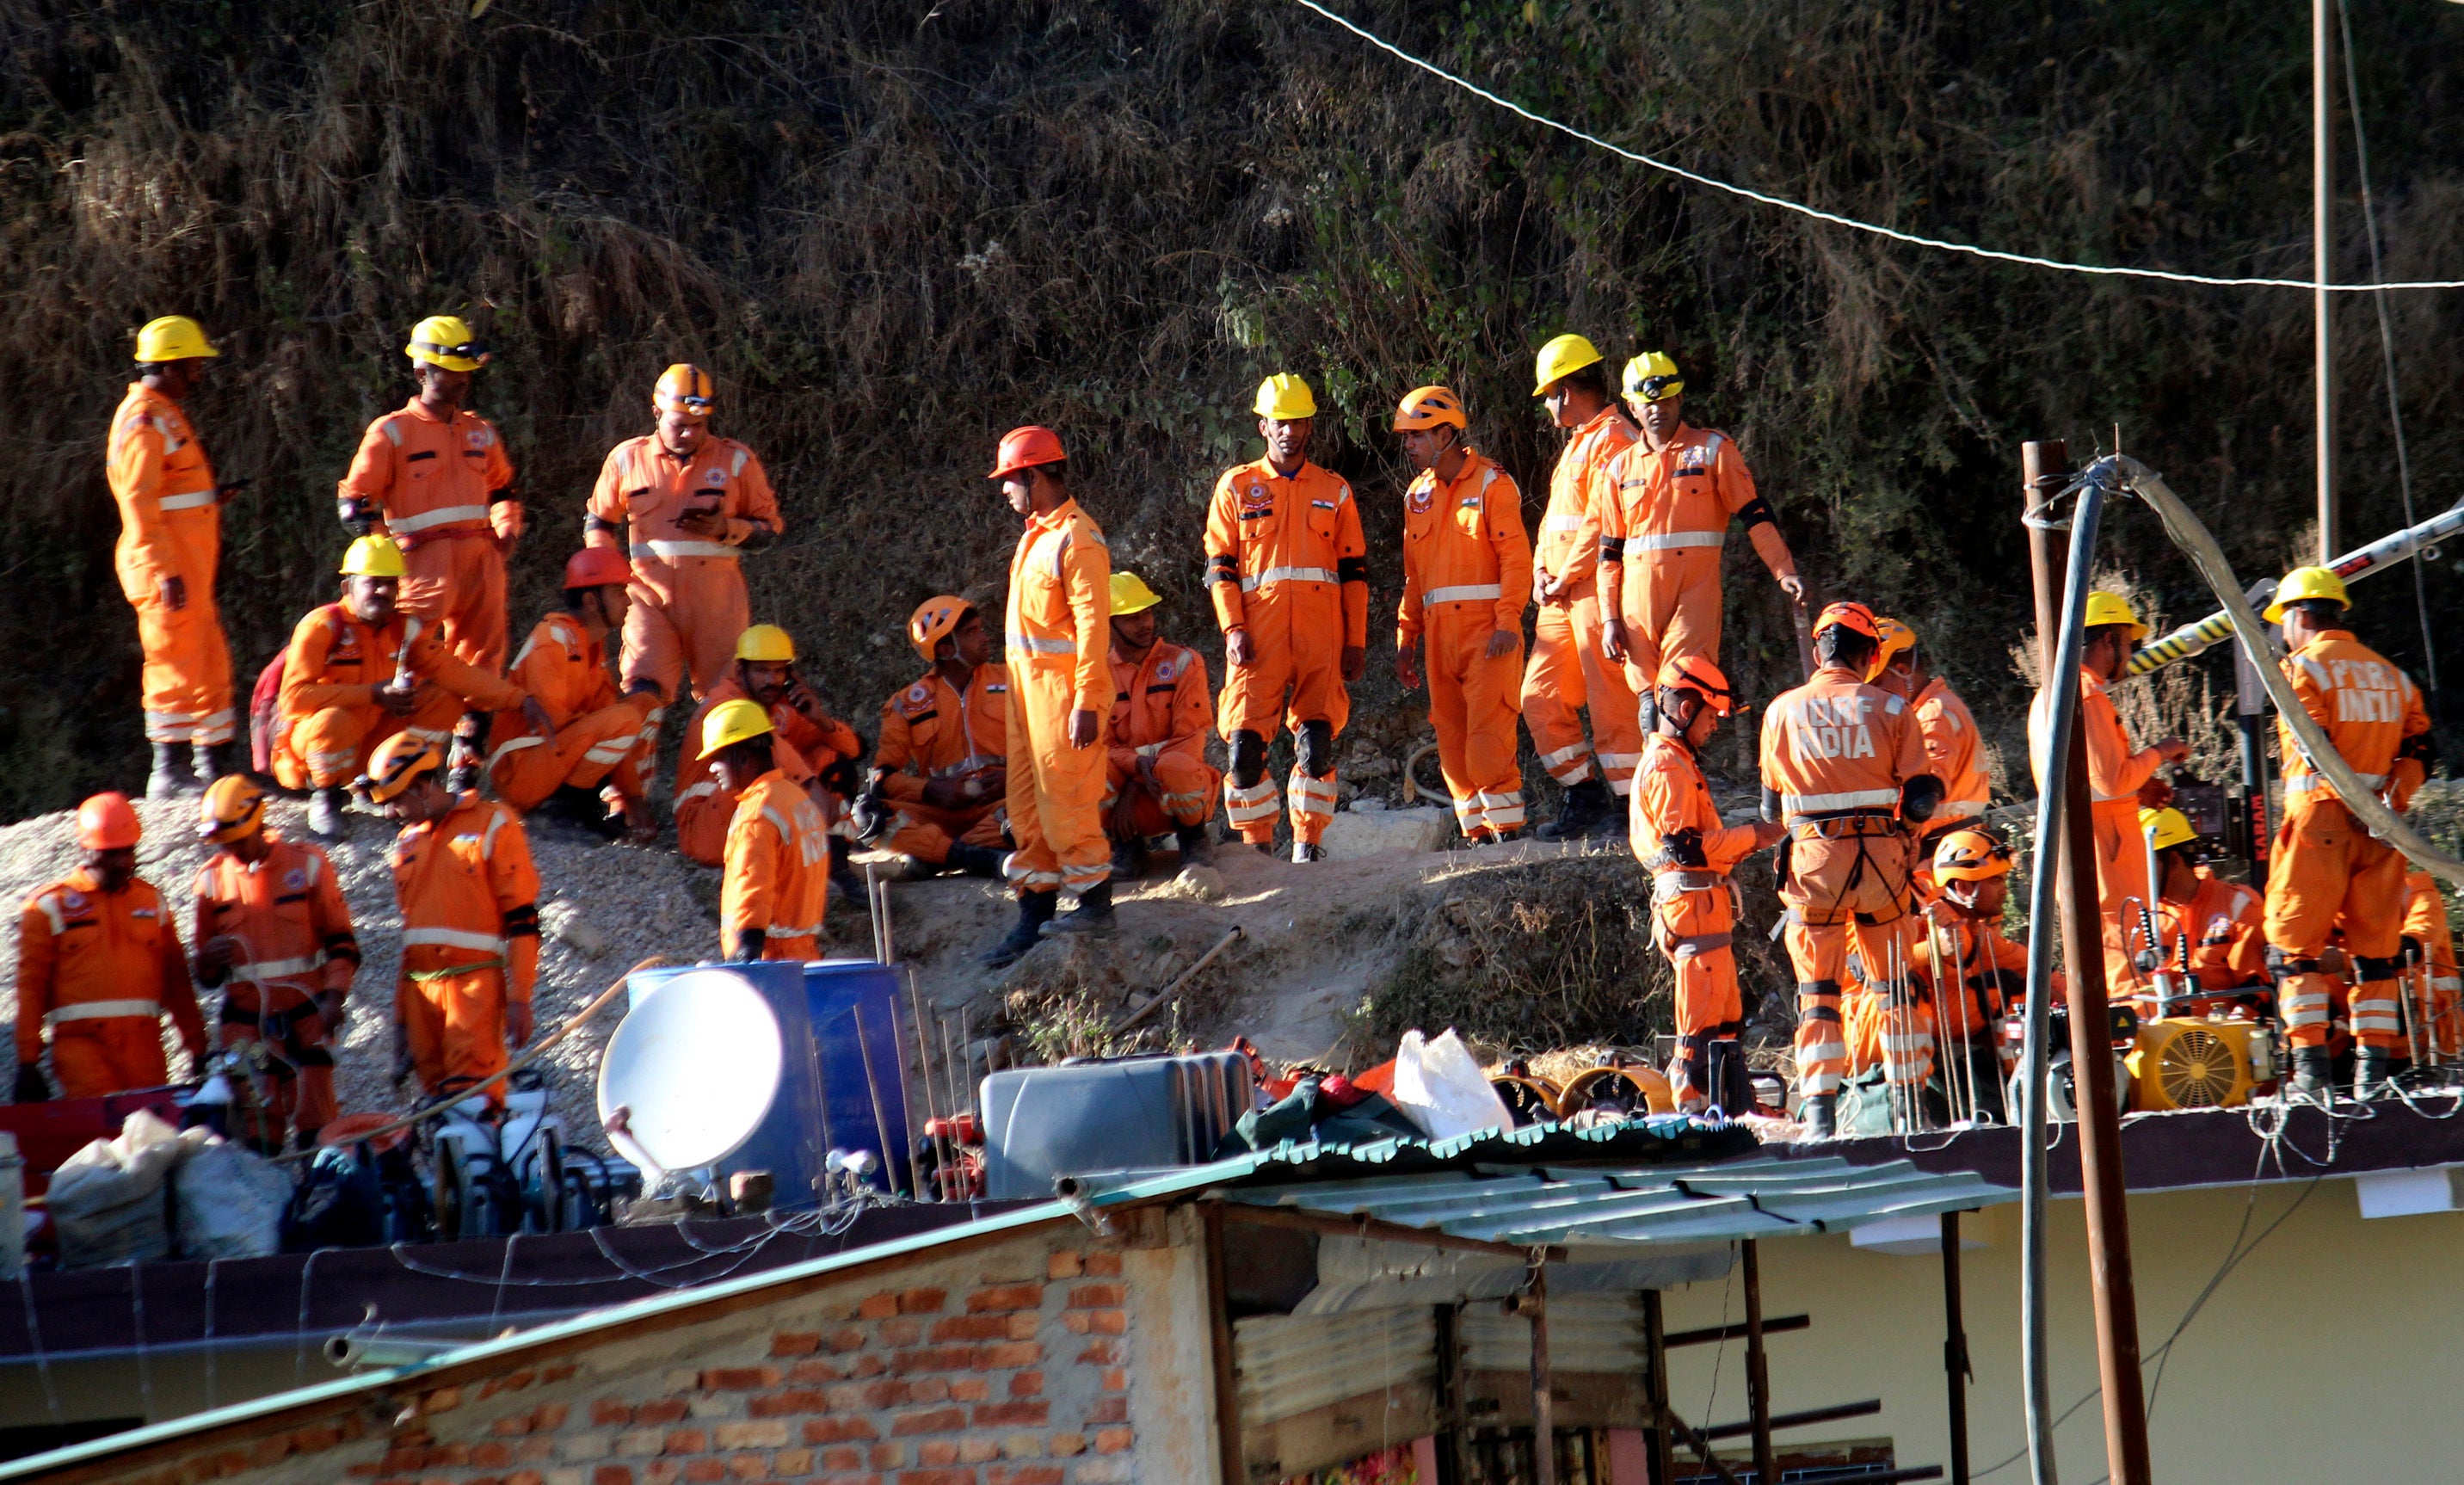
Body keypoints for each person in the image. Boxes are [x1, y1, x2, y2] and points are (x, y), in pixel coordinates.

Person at [1759, 601, 1941, 1137]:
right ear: (1869, 656)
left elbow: (1772, 810)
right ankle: (1912, 1111)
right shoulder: (1891, 709)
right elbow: (1923, 798)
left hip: (1814, 868)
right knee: (1894, 990)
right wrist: (1905, 832)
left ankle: (1819, 1116)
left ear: (1819, 652)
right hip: (1882, 868)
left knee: (1819, 995)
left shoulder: (1781, 712)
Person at [2258, 566, 2432, 1096]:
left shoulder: (2301, 670)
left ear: (2302, 614)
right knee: (2376, 954)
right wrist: (2387, 801)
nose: (2283, 630)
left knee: (2293, 949)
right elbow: (2423, 747)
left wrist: (2350, 800)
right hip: (2382, 831)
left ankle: (2310, 1074)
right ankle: (2372, 1077)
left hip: (2320, 823)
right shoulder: (2392, 676)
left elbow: (2313, 743)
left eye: (2284, 618)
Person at [269, 537, 543, 839]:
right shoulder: (322, 626)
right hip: (312, 750)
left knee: (445, 698)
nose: (383, 591)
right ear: (348, 588)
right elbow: (293, 699)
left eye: (390, 584)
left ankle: (388, 787)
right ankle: (326, 798)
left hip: (368, 741)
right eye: (373, 583)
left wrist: (519, 699)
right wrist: (372, 694)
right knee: (334, 721)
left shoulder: (401, 629)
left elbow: (453, 671)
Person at [582, 365, 784, 767]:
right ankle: (625, 802)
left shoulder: (736, 461)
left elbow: (770, 529)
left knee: (725, 701)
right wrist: (609, 578)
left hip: (717, 606)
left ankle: (723, 802)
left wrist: (726, 527)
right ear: (656, 413)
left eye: (698, 424)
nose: (690, 432)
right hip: (647, 602)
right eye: (680, 424)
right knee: (642, 694)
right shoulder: (626, 460)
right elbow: (598, 522)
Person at [1204, 375, 1369, 861]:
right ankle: (1256, 849)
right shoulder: (1237, 486)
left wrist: (1356, 641)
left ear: (1309, 427)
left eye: (1298, 422)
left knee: (1316, 747)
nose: (1289, 431)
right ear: (1263, 425)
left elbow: (1354, 571)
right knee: (1243, 752)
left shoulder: (1334, 490)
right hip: (1258, 639)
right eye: (1280, 422)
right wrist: (1233, 628)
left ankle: (1307, 846)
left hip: (1322, 639)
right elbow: (1220, 569)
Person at [1597, 353, 1803, 726]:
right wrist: (1609, 617)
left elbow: (1755, 514)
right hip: (1637, 604)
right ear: (1631, 406)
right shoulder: (1618, 468)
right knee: (1648, 704)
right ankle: (1656, 781)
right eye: (1647, 403)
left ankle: (1680, 779)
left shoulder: (1712, 450)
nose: (1656, 409)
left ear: (1679, 400)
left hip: (1695, 595)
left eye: (1664, 400)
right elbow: (1609, 552)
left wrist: (1783, 570)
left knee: (1680, 698)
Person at [983, 426, 1115, 965]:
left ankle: (1096, 904)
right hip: (1027, 697)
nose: (1005, 491)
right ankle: (1034, 915)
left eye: (1010, 480)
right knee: (1027, 809)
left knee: (1068, 804)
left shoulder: (1077, 538)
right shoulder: (1036, 534)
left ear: (1034, 476)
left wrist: (1086, 698)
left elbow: (1092, 627)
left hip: (1063, 698)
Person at [1629, 656, 1784, 1112]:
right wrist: (1758, 835)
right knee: (1697, 1029)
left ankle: (1735, 1106)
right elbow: (1687, 847)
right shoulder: (1666, 767)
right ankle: (1692, 1111)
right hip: (1690, 907)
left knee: (1726, 1020)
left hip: (1704, 908)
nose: (1715, 725)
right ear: (1684, 710)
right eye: (1711, 715)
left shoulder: (1679, 763)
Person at [365, 734, 539, 1106]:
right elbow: (411, 942)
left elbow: (523, 919)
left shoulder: (493, 824)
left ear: (424, 786)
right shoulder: (407, 844)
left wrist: (520, 997)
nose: (390, 813)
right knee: (436, 1109)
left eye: (397, 801)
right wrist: (400, 1024)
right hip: (419, 996)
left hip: (473, 989)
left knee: (474, 1101)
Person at [2026, 590, 2189, 986]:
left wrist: (2139, 789)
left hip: (2091, 852)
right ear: (2108, 640)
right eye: (2128, 642)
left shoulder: (2053, 694)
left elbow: (2092, 783)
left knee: (2107, 970)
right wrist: (2160, 751)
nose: (2131, 654)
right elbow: (2110, 779)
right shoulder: (2086, 694)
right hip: (2106, 861)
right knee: (2126, 974)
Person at [1391, 385, 1532, 843]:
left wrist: (1509, 621)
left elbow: (1515, 559)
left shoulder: (1494, 483)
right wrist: (1406, 641)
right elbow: (1415, 578)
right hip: (1438, 640)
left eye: (1416, 435)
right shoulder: (1416, 496)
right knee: (1452, 749)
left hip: (1488, 634)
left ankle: (1507, 838)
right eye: (1406, 437)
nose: (1408, 445)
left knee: (1488, 744)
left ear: (1446, 433)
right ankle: (1476, 842)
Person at [191, 777, 360, 1150]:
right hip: (246, 1026)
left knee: (316, 1124)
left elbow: (341, 942)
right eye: (223, 842)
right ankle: (269, 1201)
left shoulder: (308, 865)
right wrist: (205, 962)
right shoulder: (210, 883)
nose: (229, 848)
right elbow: (207, 975)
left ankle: (319, 1197)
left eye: (236, 838)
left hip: (308, 1015)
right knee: (257, 1131)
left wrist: (334, 996)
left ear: (257, 821)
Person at [110, 316, 237, 798]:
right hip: (166, 567)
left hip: (186, 566)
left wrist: (210, 497)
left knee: (207, 660)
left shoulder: (162, 411)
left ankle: (211, 765)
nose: (200, 374)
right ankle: (169, 770)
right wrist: (163, 569)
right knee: (173, 661)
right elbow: (138, 501)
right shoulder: (144, 418)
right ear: (172, 364)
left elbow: (170, 491)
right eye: (194, 365)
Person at [1520, 336, 1641, 839]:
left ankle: (1632, 802)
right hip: (1561, 593)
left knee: (1611, 698)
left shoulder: (1614, 437)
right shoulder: (1578, 443)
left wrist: (1563, 576)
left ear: (1568, 390)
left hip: (1597, 590)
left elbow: (1600, 522)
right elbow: (1554, 522)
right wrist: (1538, 573)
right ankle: (1584, 795)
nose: (1548, 404)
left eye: (1549, 394)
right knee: (1539, 696)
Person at [13, 794, 206, 1102]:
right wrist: (27, 1061)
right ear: (86, 849)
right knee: (101, 1139)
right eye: (111, 854)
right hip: (84, 1053)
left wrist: (198, 1046)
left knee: (150, 1142)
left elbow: (177, 981)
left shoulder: (151, 902)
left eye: (128, 852)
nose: (122, 863)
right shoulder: (50, 907)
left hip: (145, 1052)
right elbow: (30, 989)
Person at [486, 548, 661, 840]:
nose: (628, 601)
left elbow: (611, 733)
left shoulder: (590, 648)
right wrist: (598, 722)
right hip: (521, 771)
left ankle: (586, 810)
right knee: (624, 718)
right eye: (619, 592)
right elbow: (553, 724)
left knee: (645, 705)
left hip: (550, 759)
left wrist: (636, 804)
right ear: (591, 601)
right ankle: (562, 812)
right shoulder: (552, 641)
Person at [672, 625, 864, 867]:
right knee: (765, 771)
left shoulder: (772, 711)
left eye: (779, 671)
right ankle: (822, 848)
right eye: (761, 671)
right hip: (703, 828)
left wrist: (819, 719)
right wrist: (815, 796)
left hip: (735, 813)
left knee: (828, 758)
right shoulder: (724, 707)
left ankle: (831, 849)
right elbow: (775, 752)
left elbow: (852, 750)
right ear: (741, 671)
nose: (771, 680)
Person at [860, 597, 1009, 878]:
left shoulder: (1014, 682)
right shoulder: (907, 703)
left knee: (1043, 804)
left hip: (1002, 804)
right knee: (867, 816)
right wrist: (930, 790)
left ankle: (938, 855)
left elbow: (1047, 744)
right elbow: (884, 777)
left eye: (980, 629)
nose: (984, 637)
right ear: (945, 649)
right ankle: (973, 855)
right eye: (971, 632)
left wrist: (1012, 779)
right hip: (941, 815)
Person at [1901, 829, 2042, 1125]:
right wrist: (1933, 949)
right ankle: (2021, 1093)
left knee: (2021, 985)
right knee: (2010, 994)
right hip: (1923, 1033)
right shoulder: (1919, 918)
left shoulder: (1976, 931)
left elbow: (2034, 968)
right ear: (1964, 887)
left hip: (1952, 1033)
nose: (2005, 889)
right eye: (1996, 880)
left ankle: (2023, 1091)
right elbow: (1880, 964)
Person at [1103, 572, 1219, 876]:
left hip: (1172, 791)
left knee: (1177, 765)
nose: (1145, 624)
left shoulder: (1183, 662)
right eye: (1132, 617)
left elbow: (1189, 740)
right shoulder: (1098, 676)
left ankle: (1194, 841)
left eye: (1148, 613)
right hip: (1130, 806)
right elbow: (1101, 747)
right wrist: (1135, 768)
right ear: (1109, 623)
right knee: (1083, 771)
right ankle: (1127, 848)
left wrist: (1139, 776)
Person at [702, 700, 832, 962]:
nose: (712, 768)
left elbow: (753, 881)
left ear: (743, 756)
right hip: (804, 954)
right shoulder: (796, 799)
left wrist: (746, 947)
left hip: (769, 958)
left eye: (718, 758)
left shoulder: (756, 813)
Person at [1870, 618, 1993, 885]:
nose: (1873, 696)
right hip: (1957, 851)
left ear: (1903, 670)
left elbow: (1925, 793)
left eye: (1878, 685)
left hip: (1941, 856)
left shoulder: (1932, 716)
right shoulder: (1938, 707)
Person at [2132, 805, 2267, 1018]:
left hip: (2231, 1042)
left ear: (2174, 861)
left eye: (2143, 865)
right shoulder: (2143, 918)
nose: (2136, 874)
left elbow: (2257, 987)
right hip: (2167, 1043)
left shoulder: (2237, 905)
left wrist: (2233, 1023)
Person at [2400, 871, 2460, 1062]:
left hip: (2439, 1030)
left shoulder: (2422, 895)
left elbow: (2419, 938)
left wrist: (2347, 959)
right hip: (2409, 1035)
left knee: (2388, 975)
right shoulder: (2355, 892)